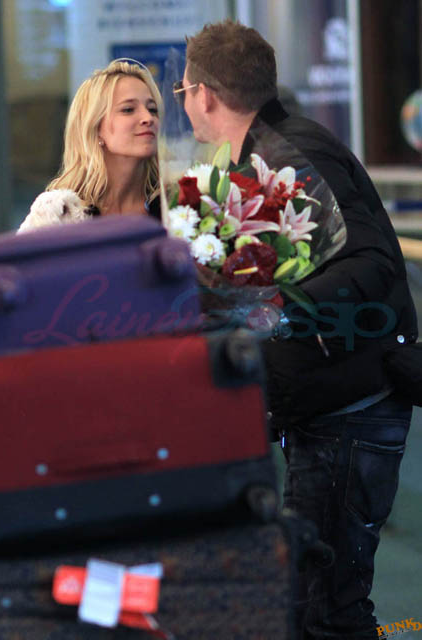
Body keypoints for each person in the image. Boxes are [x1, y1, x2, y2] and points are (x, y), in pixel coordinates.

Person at [179, 19, 418, 640]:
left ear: (204, 94)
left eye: (181, 92)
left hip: (351, 412)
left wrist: (275, 309)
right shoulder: (262, 153)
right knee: (313, 608)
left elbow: (372, 263)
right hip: (333, 407)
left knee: (327, 613)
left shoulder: (286, 154)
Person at [18, 58, 162, 232]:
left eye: (152, 109)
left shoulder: (177, 203)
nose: (148, 118)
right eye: (128, 109)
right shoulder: (60, 213)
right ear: (95, 127)